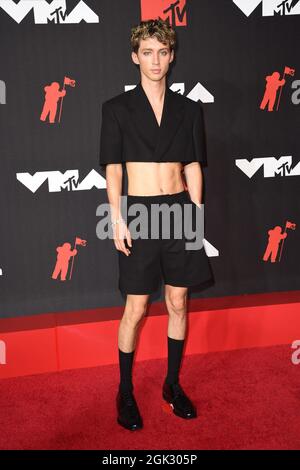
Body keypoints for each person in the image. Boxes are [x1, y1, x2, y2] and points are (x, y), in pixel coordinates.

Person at [99, 19, 213, 431]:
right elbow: (113, 171)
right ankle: (125, 391)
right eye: (147, 52)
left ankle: (171, 384)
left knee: (178, 302)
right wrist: (116, 218)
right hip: (140, 215)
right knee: (136, 307)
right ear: (135, 57)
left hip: (180, 212)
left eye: (162, 52)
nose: (155, 60)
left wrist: (196, 215)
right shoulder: (117, 109)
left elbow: (195, 167)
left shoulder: (188, 109)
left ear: (171, 56)